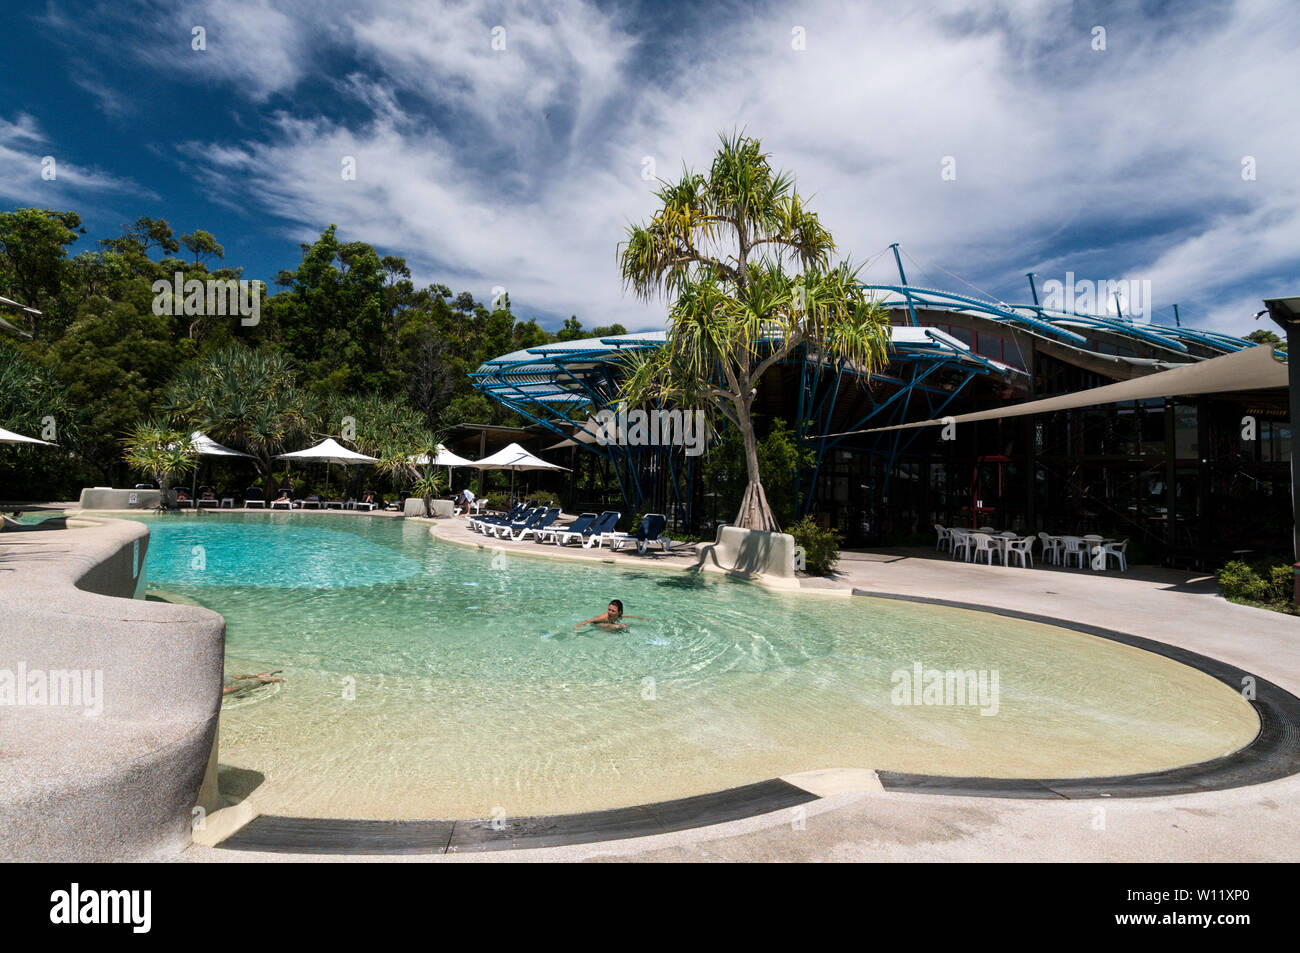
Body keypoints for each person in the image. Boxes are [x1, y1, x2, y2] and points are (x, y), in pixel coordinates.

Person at [574, 599, 651, 631]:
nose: (610, 612)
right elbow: (589, 620)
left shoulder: (618, 615)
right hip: (596, 624)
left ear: (619, 612)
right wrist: (579, 625)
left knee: (624, 626)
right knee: (618, 626)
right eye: (609, 609)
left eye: (613, 611)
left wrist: (639, 618)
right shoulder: (604, 617)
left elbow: (625, 617)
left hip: (609, 623)